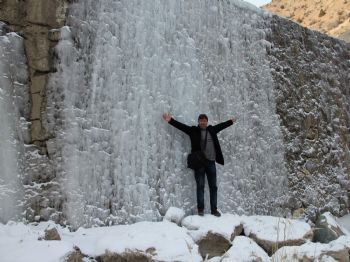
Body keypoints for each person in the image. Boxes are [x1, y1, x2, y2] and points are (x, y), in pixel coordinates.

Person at [162, 113, 236, 217]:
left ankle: (214, 209)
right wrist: (170, 120)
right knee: (200, 186)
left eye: (204, 120)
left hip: (211, 162)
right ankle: (200, 209)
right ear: (198, 122)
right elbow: (182, 126)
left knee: (213, 187)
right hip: (199, 163)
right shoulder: (193, 130)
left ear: (207, 121)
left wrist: (231, 122)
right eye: (201, 120)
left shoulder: (212, 130)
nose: (203, 122)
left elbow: (221, 125)